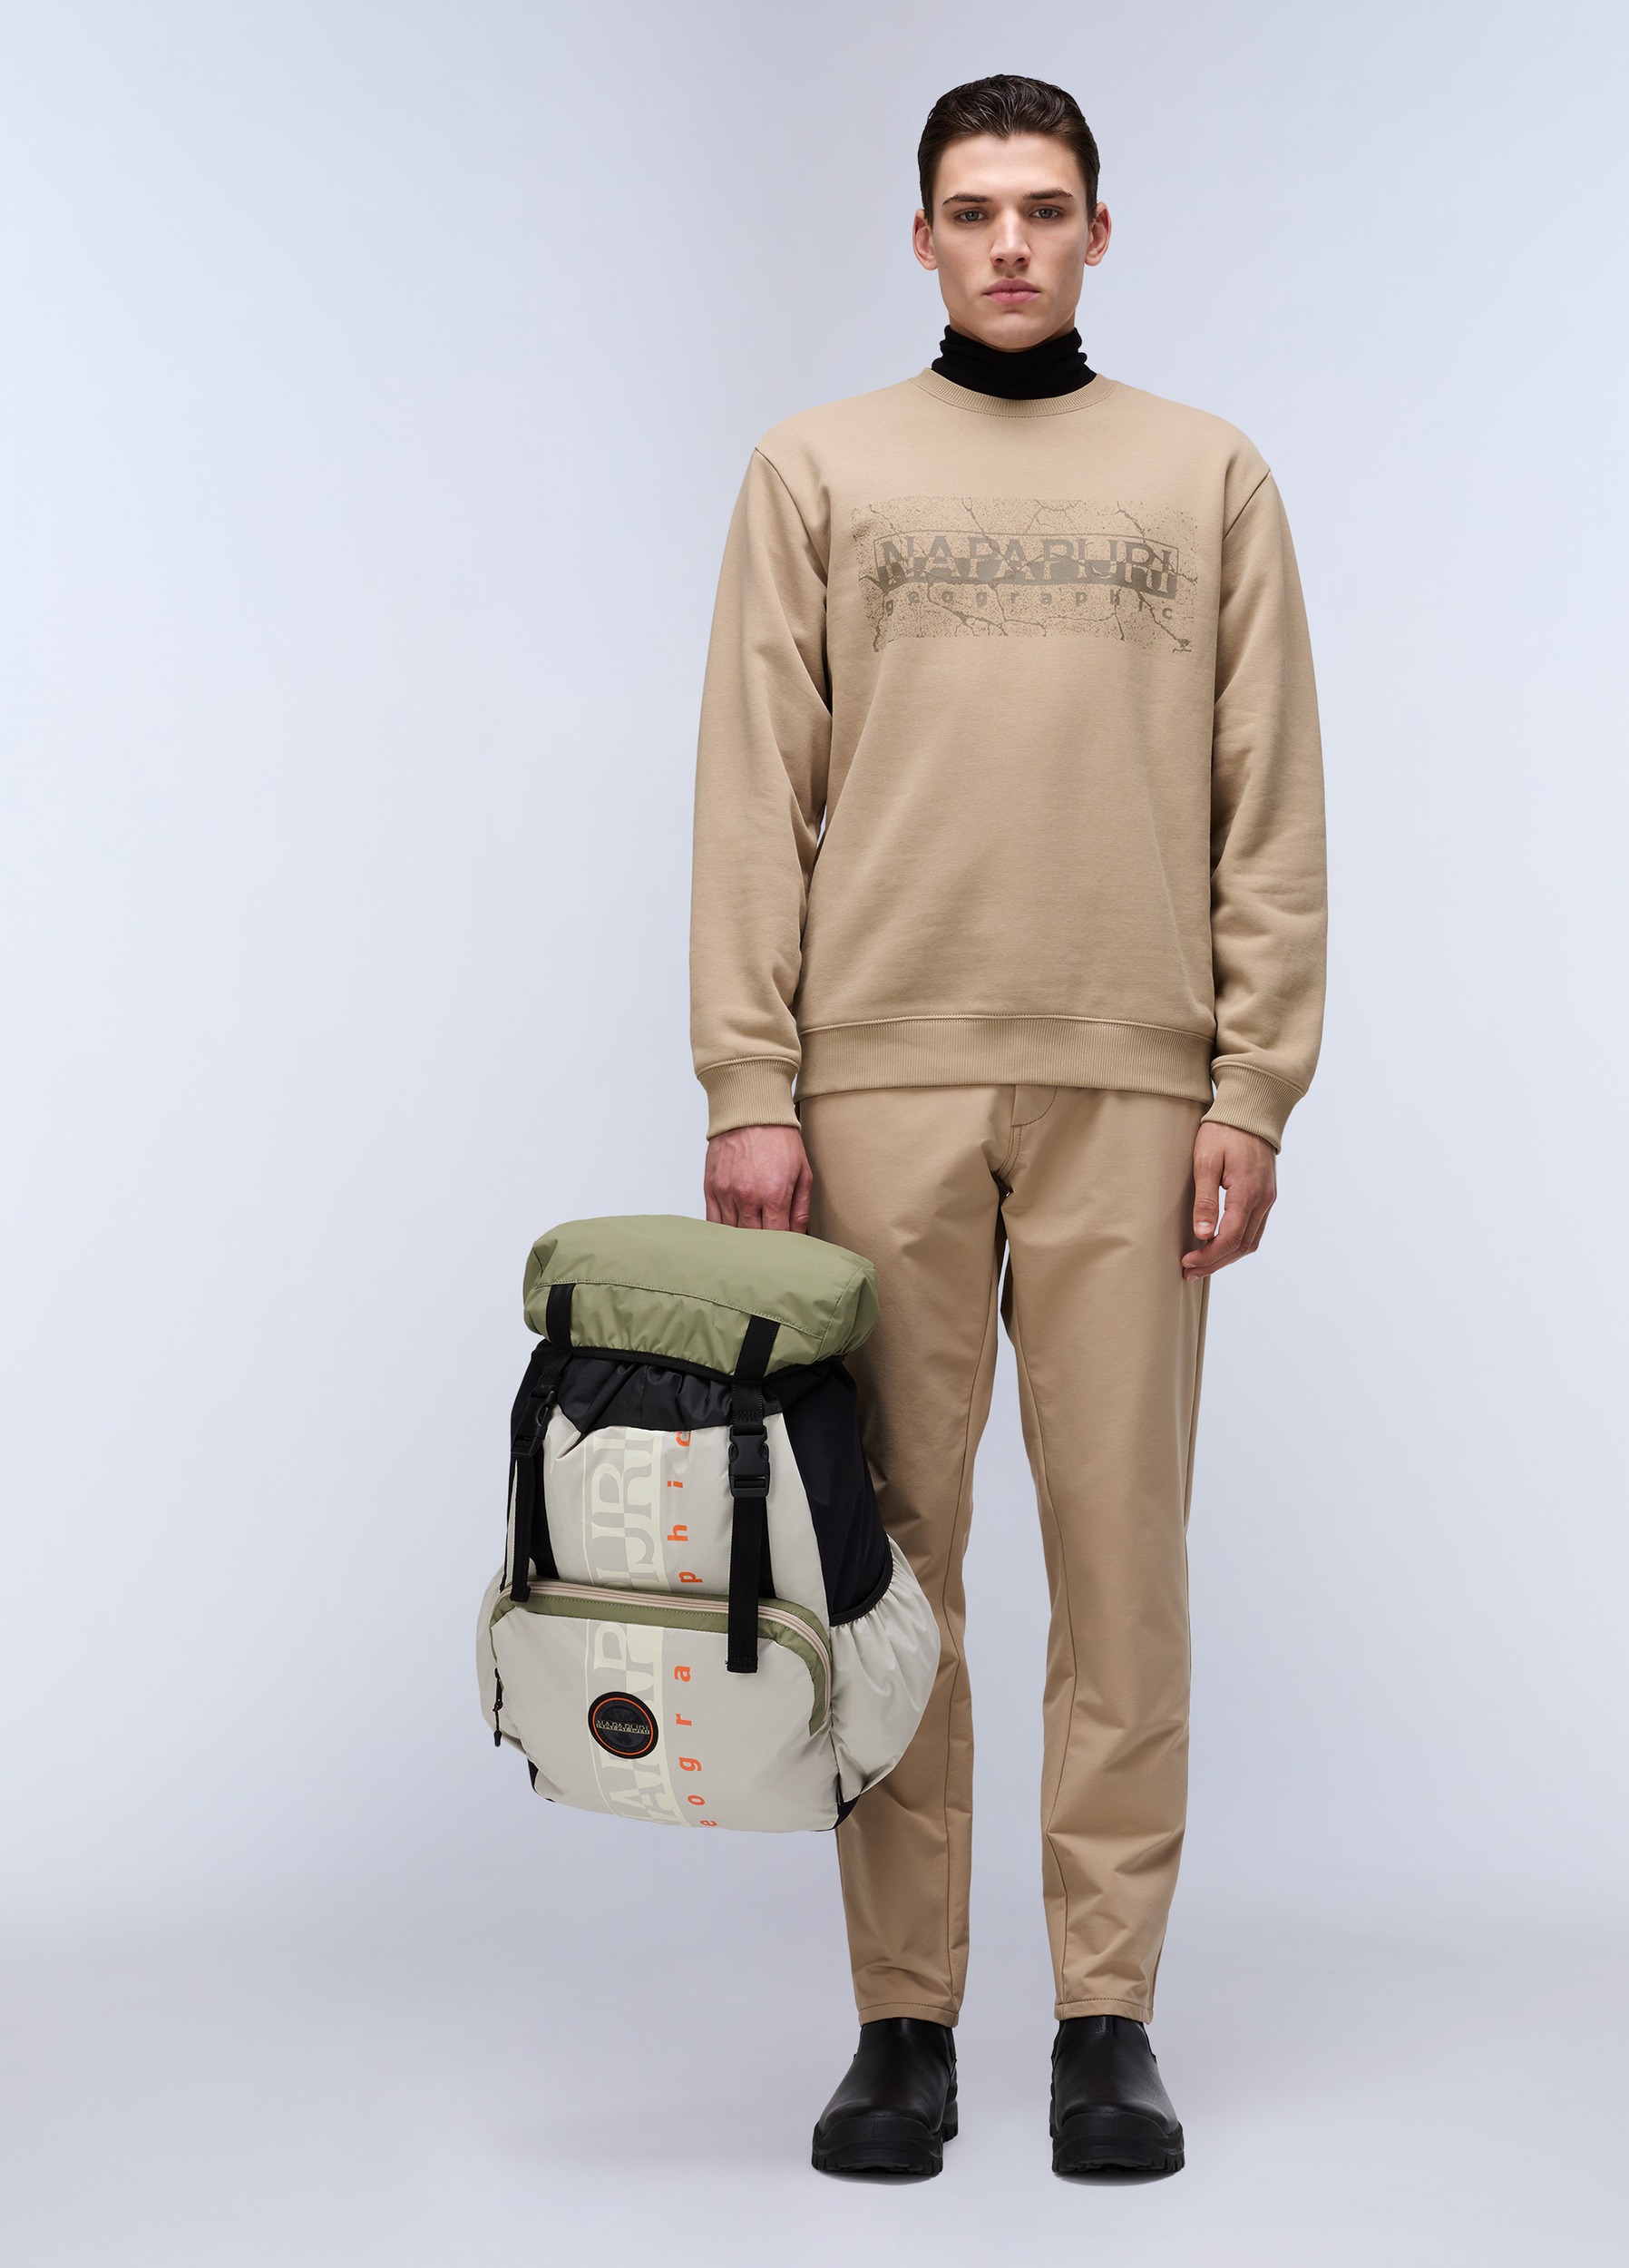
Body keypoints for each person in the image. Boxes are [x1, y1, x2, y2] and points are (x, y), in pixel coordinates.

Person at [688, 73, 1325, 2179]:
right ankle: (901, 2019)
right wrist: (747, 1080)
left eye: (1044, 208)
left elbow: (1269, 800)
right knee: (894, 1562)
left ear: (1098, 232)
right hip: (876, 1069)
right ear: (921, 238)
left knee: (1122, 1559)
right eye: (973, 211)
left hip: (1132, 1075)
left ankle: (1106, 2014)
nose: (1011, 245)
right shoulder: (815, 466)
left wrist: (1253, 1084)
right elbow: (751, 791)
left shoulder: (1205, 471)